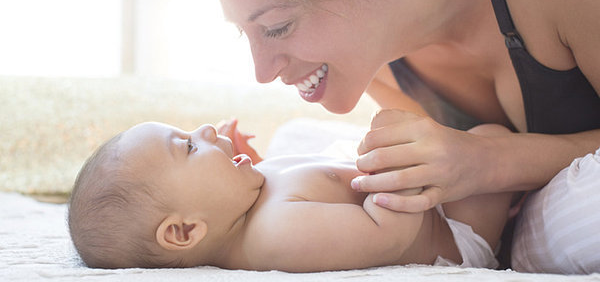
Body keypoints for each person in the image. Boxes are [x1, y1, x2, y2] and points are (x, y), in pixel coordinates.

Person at [195, 0, 600, 272]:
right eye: (243, 32)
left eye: (277, 26)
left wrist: (485, 161)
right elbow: (448, 221)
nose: (262, 73)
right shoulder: (376, 55)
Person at [68, 120, 514, 271]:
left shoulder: (241, 203)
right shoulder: (276, 234)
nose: (204, 130)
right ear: (185, 230)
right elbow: (388, 234)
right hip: (449, 227)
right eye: (187, 147)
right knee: (492, 136)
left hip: (421, 197)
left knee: (474, 140)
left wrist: (242, 160)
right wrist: (396, 164)